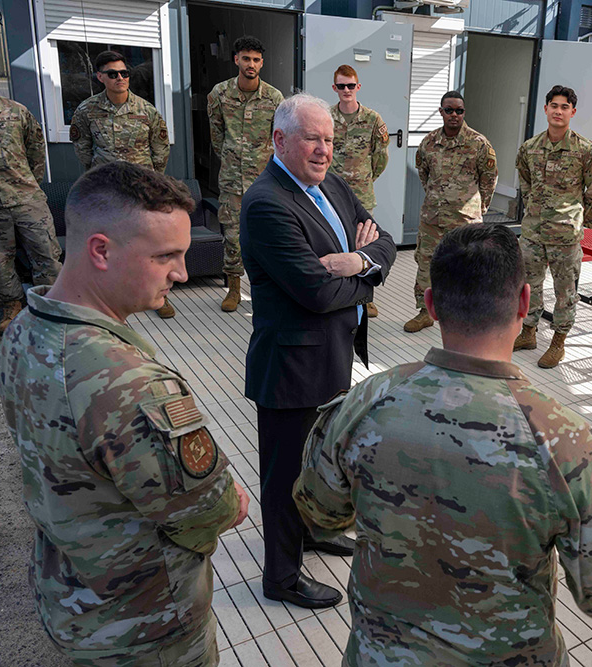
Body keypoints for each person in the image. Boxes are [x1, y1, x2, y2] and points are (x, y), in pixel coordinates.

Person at [293, 224, 592, 665]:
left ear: (432, 305)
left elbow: (319, 513)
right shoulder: (563, 438)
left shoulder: (366, 400)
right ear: (525, 303)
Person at [0, 161, 250, 666]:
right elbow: (211, 507)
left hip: (71, 597)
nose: (181, 272)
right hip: (145, 627)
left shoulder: (27, 327)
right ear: (101, 251)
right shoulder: (127, 383)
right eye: (165, 257)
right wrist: (232, 500)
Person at [240, 93, 396, 609]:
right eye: (312, 138)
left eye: (329, 139)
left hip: (332, 355)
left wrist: (352, 262)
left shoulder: (329, 183)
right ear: (280, 140)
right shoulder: (266, 203)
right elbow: (315, 292)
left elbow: (386, 244)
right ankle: (281, 578)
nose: (324, 149)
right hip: (290, 368)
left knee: (322, 459)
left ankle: (313, 533)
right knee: (285, 476)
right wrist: (363, 274)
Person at [71, 50, 173, 318]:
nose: (120, 78)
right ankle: (111, 300)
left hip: (141, 190)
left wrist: (150, 179)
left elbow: (160, 149)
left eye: (124, 73)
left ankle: (159, 296)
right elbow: (82, 148)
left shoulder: (146, 110)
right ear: (100, 77)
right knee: (110, 246)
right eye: (113, 74)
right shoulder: (87, 111)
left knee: (152, 244)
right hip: (106, 192)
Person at [513, 85, 592, 368]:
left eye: (565, 107)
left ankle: (559, 341)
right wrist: (532, 211)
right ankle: (528, 331)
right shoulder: (530, 148)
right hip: (532, 232)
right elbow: (525, 181)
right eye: (554, 105)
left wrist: (580, 223)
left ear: (572, 112)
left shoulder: (586, 150)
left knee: (565, 290)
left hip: (565, 235)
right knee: (529, 284)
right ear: (546, 109)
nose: (558, 111)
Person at [0, 55, 62, 333]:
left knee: (45, 254)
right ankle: (12, 305)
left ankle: (51, 307)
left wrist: (29, 183)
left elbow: (36, 147)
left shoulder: (16, 111)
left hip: (26, 199)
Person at [405, 90, 497, 333]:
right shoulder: (428, 142)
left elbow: (488, 181)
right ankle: (425, 312)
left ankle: (467, 316)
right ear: (441, 112)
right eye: (449, 110)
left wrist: (477, 209)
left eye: (459, 110)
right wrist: (439, 199)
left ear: (464, 113)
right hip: (432, 219)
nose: (454, 115)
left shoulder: (479, 144)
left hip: (465, 221)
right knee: (426, 264)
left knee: (467, 267)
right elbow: (424, 175)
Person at [207, 35, 284, 313]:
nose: (251, 64)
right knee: (232, 234)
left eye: (256, 59)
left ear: (261, 63)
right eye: (246, 58)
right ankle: (234, 288)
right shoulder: (219, 94)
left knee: (270, 233)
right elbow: (217, 136)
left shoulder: (274, 98)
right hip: (231, 179)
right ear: (236, 59)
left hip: (265, 180)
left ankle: (270, 289)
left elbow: (281, 139)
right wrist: (232, 159)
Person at [329, 64, 390, 319]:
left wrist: (364, 179)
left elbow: (380, 158)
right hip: (330, 193)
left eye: (350, 85)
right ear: (335, 88)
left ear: (358, 87)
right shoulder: (326, 117)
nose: (346, 90)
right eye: (341, 86)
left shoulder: (373, 119)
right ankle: (338, 293)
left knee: (365, 246)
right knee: (333, 241)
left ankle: (366, 297)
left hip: (361, 193)